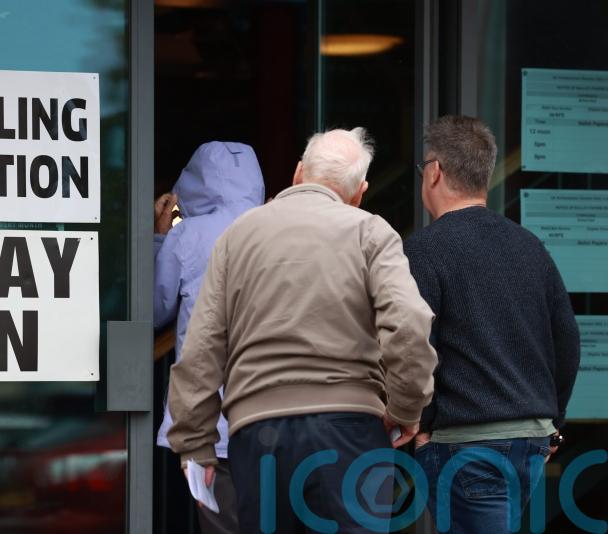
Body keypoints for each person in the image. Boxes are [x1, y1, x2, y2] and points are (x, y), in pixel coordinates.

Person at [166, 128, 438, 533]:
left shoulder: (237, 237)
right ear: (360, 191)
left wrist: (195, 441)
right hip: (351, 431)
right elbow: (409, 323)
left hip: (258, 434)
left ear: (297, 173)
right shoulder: (371, 231)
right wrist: (405, 408)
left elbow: (202, 345)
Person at [405, 115, 581, 534]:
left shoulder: (424, 250)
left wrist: (422, 426)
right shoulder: (529, 246)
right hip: (530, 442)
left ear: (434, 172)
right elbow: (568, 342)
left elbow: (415, 347)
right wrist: (553, 423)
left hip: (466, 444)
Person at [154, 141, 265, 534]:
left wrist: (160, 236)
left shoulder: (189, 236)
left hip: (211, 424)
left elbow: (154, 310)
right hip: (277, 419)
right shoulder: (281, 226)